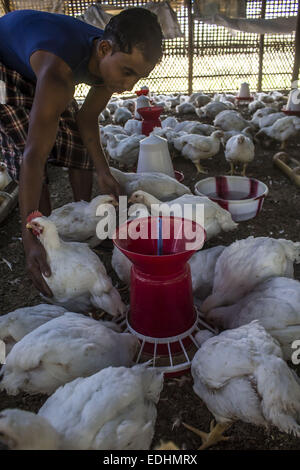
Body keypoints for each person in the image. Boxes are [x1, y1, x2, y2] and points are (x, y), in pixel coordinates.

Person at [0, 7, 163, 296]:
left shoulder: (107, 65)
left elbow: (86, 121)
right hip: (5, 64)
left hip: (39, 58)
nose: (128, 86)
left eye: (137, 78)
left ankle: (85, 223)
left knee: (76, 143)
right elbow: (33, 158)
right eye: (127, 72)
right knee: (29, 141)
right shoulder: (58, 74)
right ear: (104, 48)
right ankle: (42, 241)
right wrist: (30, 241)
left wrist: (103, 171)